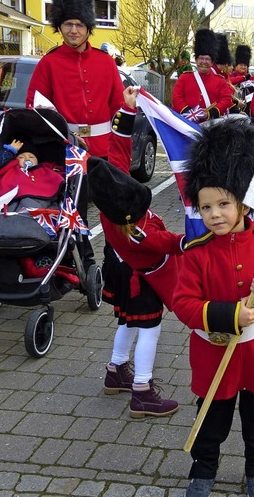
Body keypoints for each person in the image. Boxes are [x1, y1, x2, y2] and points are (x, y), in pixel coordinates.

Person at [172, 119, 254, 497]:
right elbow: (183, 304)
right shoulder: (196, 253)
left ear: (243, 203)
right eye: (206, 207)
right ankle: (202, 471)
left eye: (223, 204)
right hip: (215, 354)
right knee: (210, 419)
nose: (214, 214)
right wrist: (229, 316)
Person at [24, 0, 132, 271]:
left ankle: (116, 260)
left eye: (79, 25)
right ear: (59, 27)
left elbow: (117, 107)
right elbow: (36, 108)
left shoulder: (105, 62)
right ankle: (82, 263)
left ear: (88, 28)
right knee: (75, 214)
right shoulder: (48, 63)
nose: (73, 30)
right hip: (68, 155)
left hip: (105, 153)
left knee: (115, 210)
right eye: (67, 24)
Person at [89, 155, 183, 418]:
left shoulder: (109, 214)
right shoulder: (139, 230)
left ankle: (116, 370)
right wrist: (189, 240)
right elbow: (166, 242)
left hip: (121, 273)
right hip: (141, 281)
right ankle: (142, 391)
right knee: (149, 331)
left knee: (126, 322)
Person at [172, 28, 234, 123]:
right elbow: (177, 97)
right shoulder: (184, 78)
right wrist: (189, 112)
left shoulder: (220, 80)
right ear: (196, 60)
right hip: (188, 123)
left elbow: (226, 99)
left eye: (207, 59)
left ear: (212, 62)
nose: (204, 62)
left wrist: (210, 113)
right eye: (201, 58)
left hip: (211, 125)